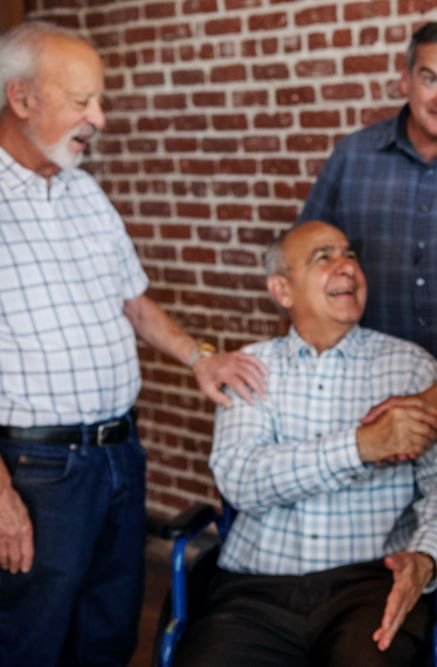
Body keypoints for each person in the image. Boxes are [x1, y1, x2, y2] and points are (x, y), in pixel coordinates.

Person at [0, 21, 266, 666]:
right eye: (81, 100)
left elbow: (134, 303)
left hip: (119, 453)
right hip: (35, 470)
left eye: (99, 100)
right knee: (30, 639)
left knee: (109, 634)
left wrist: (200, 358)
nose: (98, 118)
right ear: (21, 97)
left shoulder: (85, 191)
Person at [173, 222, 437, 665]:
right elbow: (242, 480)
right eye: (324, 257)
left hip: (372, 583)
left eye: (350, 256)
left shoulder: (412, 367)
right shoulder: (249, 367)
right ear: (282, 290)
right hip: (255, 589)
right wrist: (361, 446)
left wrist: (425, 555)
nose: (347, 267)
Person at [299, 20, 437, 551]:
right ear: (404, 79)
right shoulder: (353, 155)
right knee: (382, 557)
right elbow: (308, 261)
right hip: (374, 411)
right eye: (430, 79)